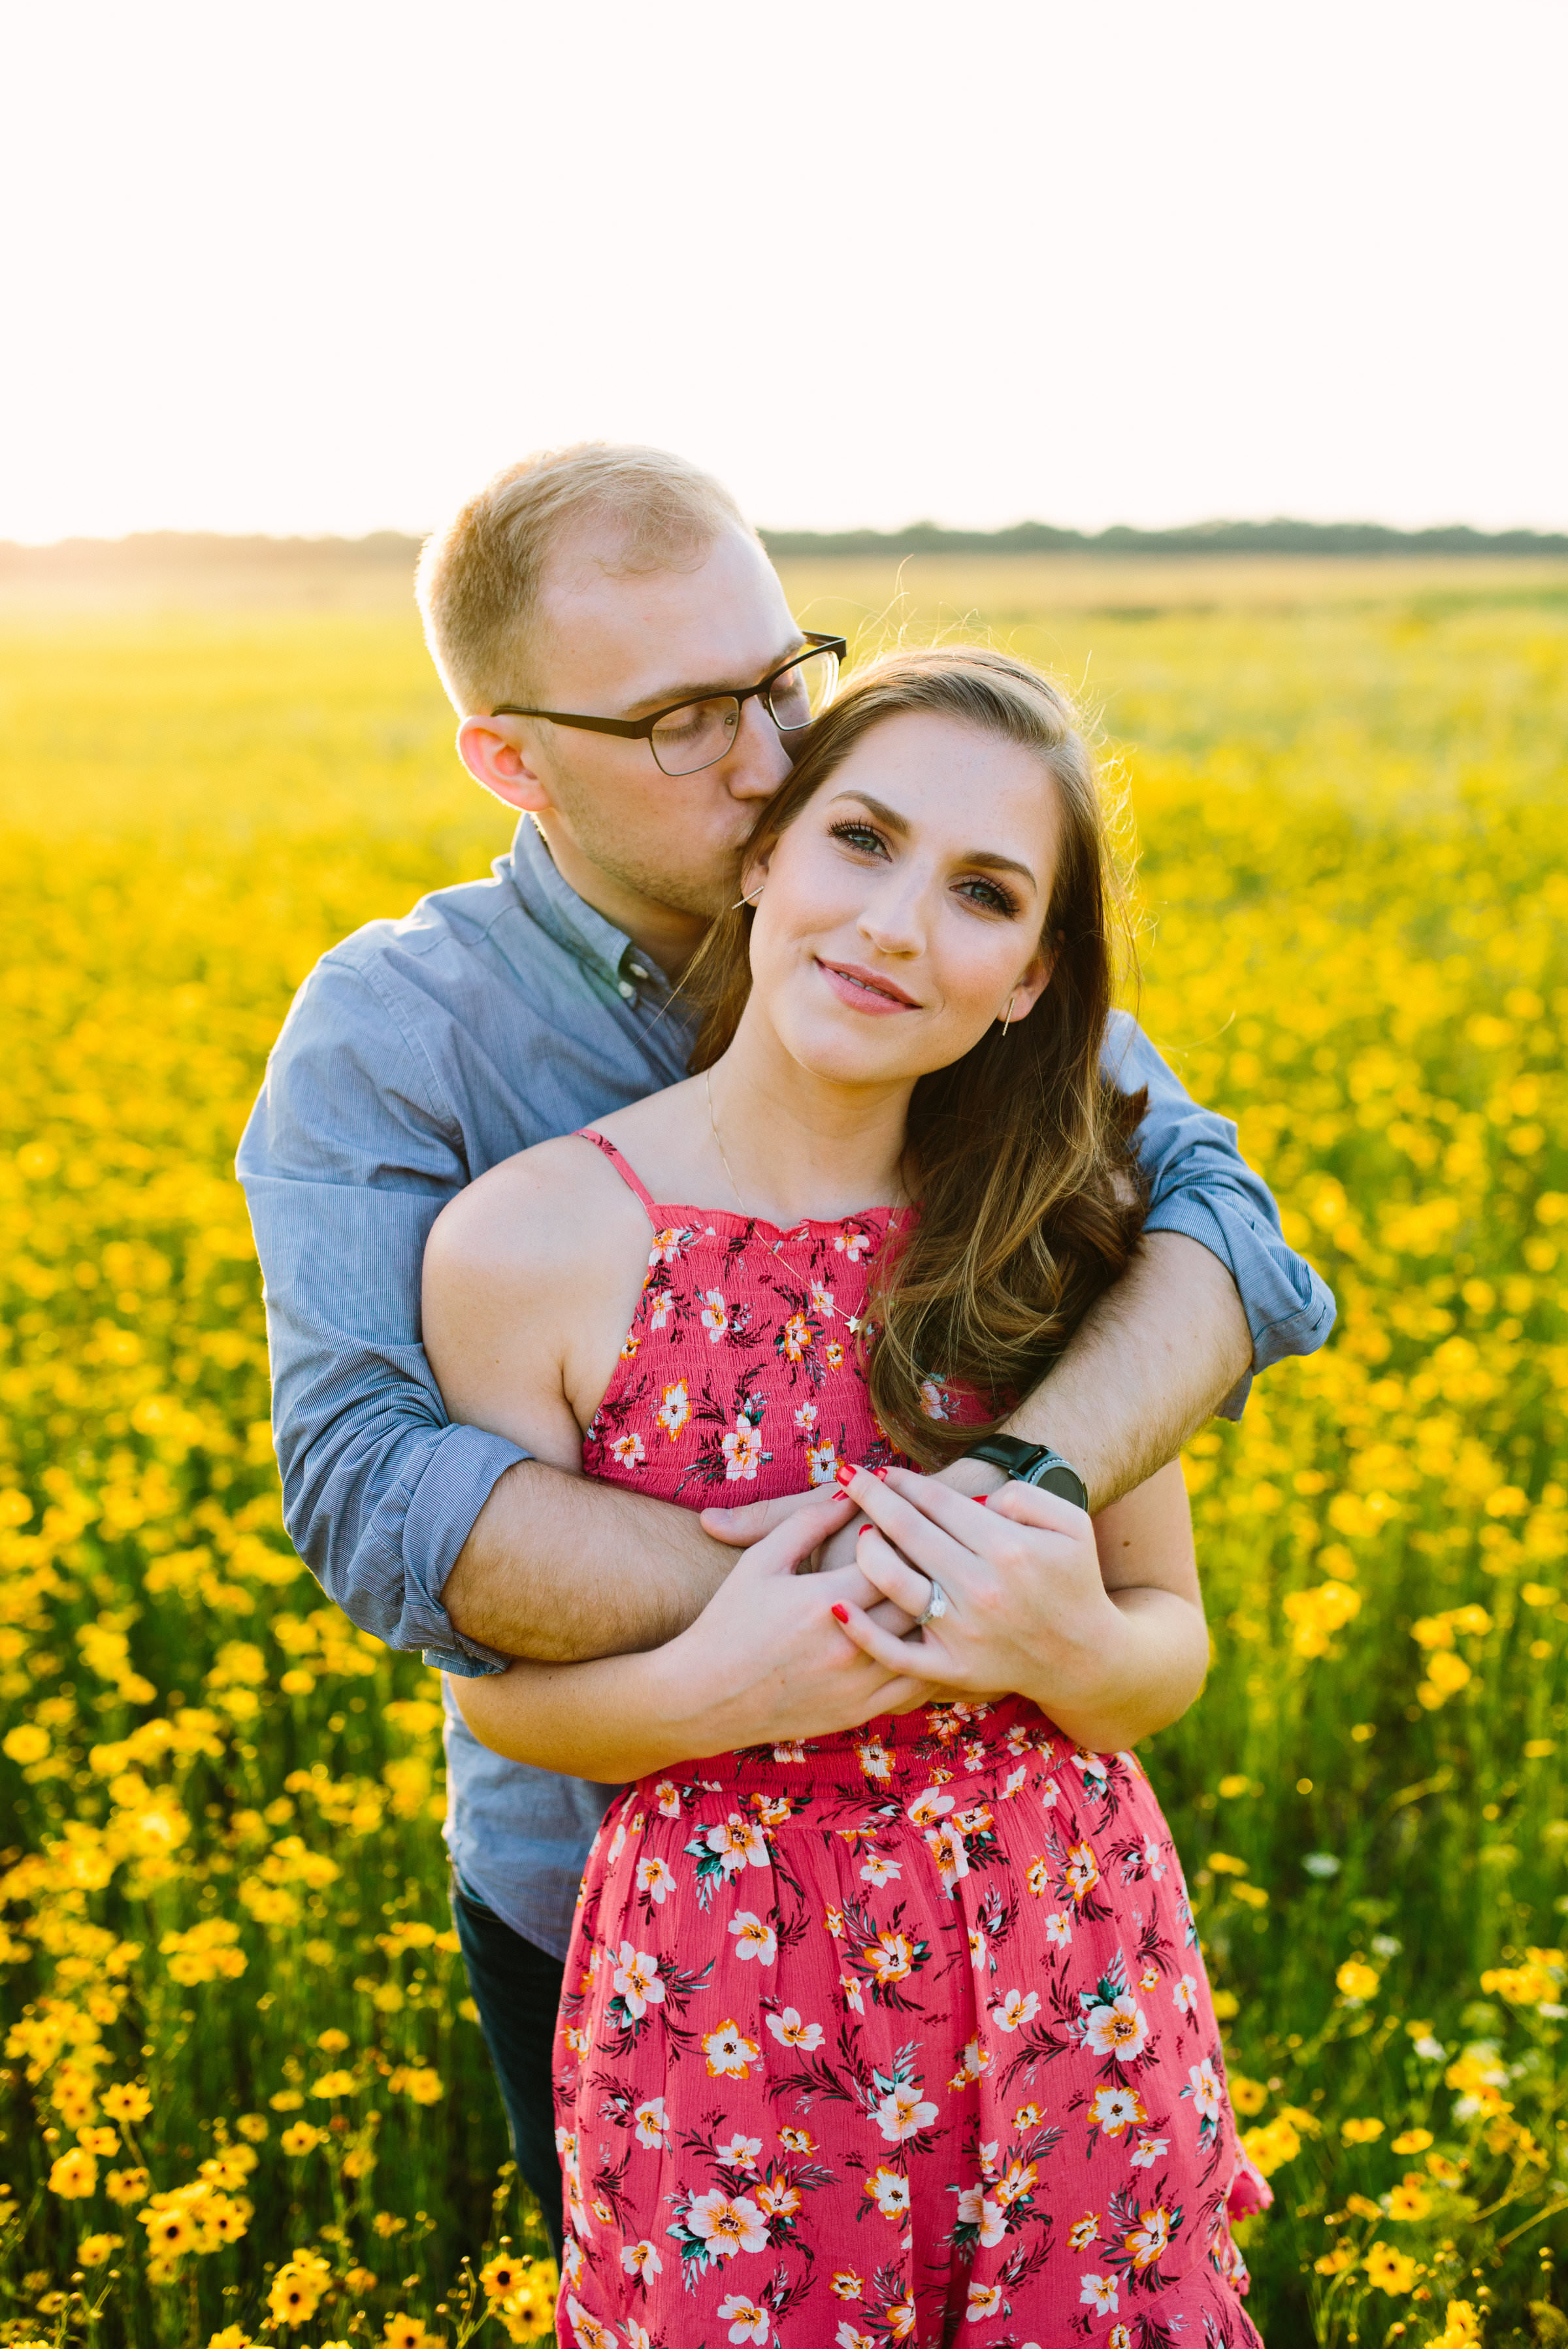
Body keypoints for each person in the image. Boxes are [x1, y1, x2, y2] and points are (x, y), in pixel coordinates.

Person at [236, 443, 1333, 2261]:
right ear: (512, 760)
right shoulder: (399, 1041)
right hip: (609, 1897)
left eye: (778, 679)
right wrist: (842, 1615)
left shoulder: (934, 961)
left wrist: (1012, 1510)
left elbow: (1223, 1231)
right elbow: (377, 1494)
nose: (770, 758)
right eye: (683, 722)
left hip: (1015, 1916)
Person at [423, 644, 1268, 2344]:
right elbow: (497, 1696)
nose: (895, 926)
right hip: (731, 1991)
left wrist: (1064, 1650)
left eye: (982, 893)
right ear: (762, 857)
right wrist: (712, 1693)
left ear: (1034, 977)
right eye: (861, 840)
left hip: (1069, 1960)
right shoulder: (532, 1242)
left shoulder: (1072, 1234)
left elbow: (1166, 1646)